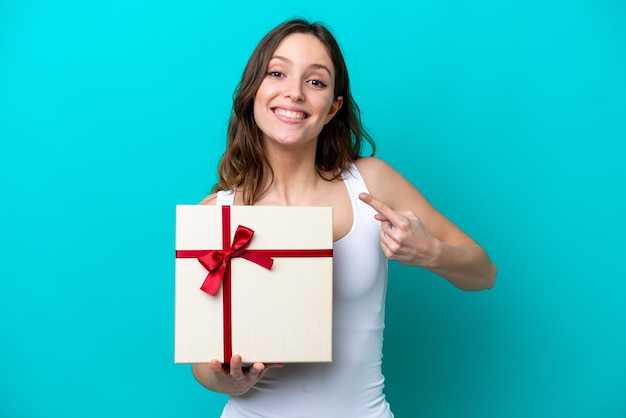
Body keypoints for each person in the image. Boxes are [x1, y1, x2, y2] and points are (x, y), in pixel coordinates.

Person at [191, 18, 497, 417]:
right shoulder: (216, 214)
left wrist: (430, 252)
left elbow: (484, 273)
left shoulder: (371, 185)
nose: (294, 93)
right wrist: (230, 379)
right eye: (277, 73)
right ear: (254, 92)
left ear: (334, 106)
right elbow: (203, 366)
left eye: (315, 82)